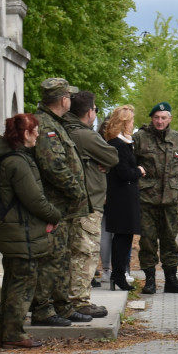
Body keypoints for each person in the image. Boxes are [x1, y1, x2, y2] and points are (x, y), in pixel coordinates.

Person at [0, 114, 62, 348]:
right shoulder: (17, 162)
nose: (38, 136)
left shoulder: (4, 157)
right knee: (23, 282)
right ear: (25, 134)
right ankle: (14, 334)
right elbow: (34, 199)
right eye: (35, 131)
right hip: (21, 234)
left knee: (14, 280)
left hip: (12, 231)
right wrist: (55, 216)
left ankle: (9, 331)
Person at [31, 78, 91, 326]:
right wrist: (77, 190)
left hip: (64, 208)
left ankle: (62, 306)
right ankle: (43, 310)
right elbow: (53, 166)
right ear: (63, 99)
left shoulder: (56, 123)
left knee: (62, 257)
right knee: (51, 258)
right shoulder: (46, 126)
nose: (70, 99)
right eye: (69, 96)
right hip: (55, 206)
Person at [63, 91, 119, 318]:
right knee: (85, 252)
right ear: (89, 112)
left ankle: (75, 299)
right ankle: (79, 301)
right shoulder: (84, 135)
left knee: (76, 252)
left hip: (78, 201)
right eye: (95, 110)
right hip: (87, 203)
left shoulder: (65, 129)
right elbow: (113, 156)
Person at [133, 102, 178, 294]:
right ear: (152, 118)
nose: (160, 121)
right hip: (146, 198)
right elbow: (130, 163)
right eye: (157, 117)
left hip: (170, 199)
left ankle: (171, 280)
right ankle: (150, 280)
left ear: (170, 119)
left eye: (164, 117)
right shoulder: (140, 138)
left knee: (170, 239)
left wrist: (173, 181)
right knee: (148, 241)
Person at [102, 105, 143, 291]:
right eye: (132, 121)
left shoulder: (123, 143)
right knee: (121, 236)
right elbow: (124, 172)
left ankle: (118, 273)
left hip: (125, 196)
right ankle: (117, 274)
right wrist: (139, 171)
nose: (133, 124)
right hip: (121, 198)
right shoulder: (118, 145)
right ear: (125, 123)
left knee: (124, 237)